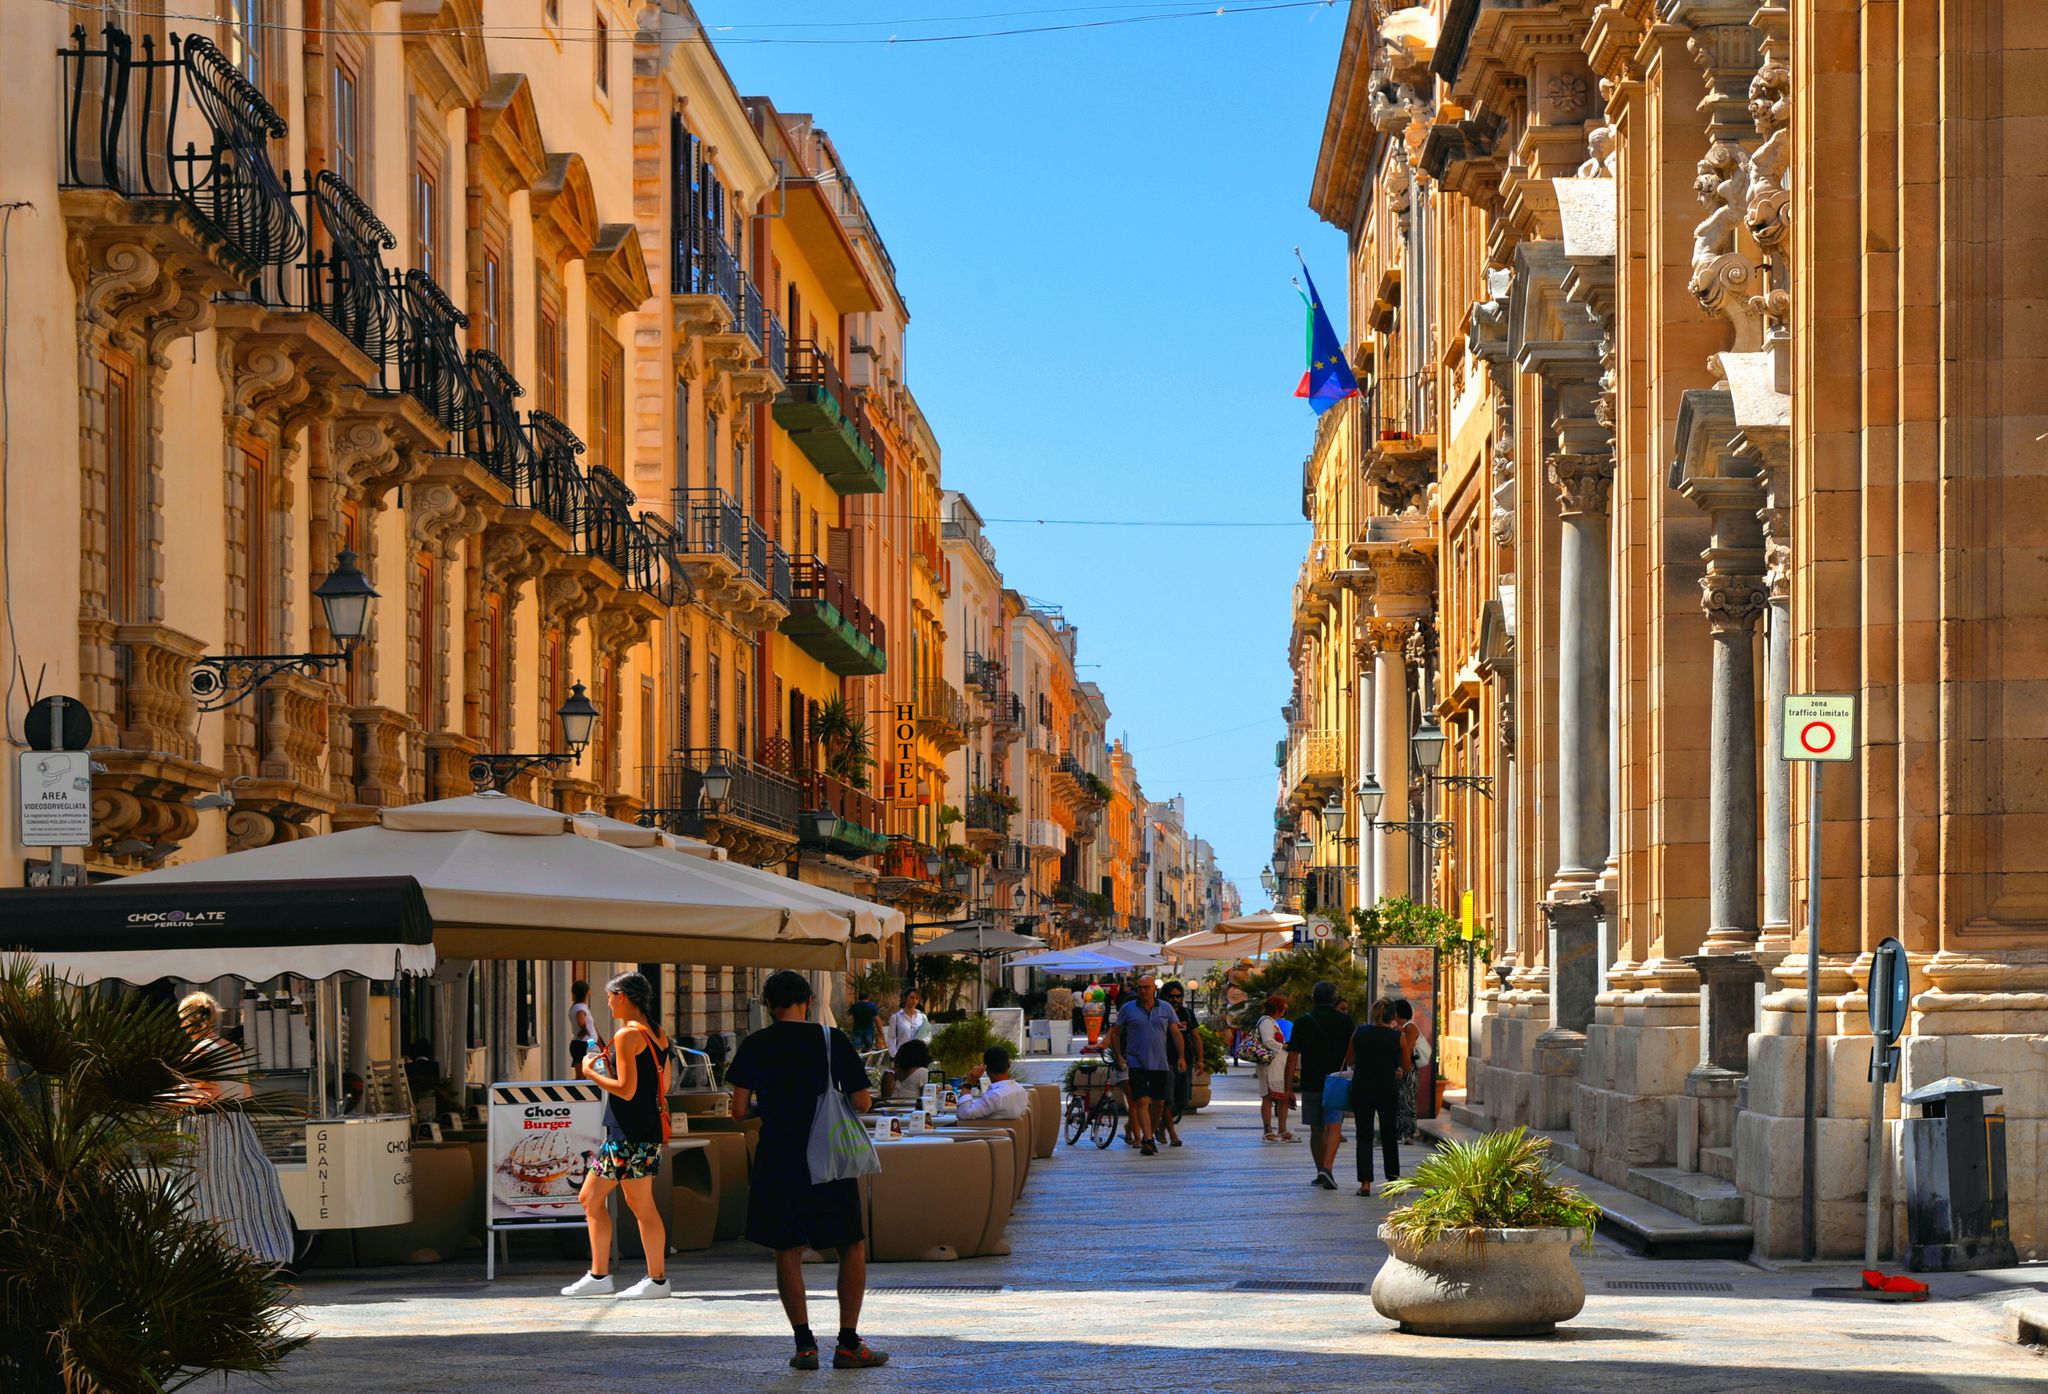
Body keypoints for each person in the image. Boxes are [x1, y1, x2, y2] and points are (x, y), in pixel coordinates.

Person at [727, 970, 888, 1371]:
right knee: (850, 1244)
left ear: (769, 1006)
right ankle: (849, 1343)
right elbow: (864, 1102)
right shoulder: (831, 1040)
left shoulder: (755, 1045)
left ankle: (804, 1345)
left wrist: (776, 1108)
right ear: (809, 1001)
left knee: (788, 1249)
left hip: (779, 1158)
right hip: (828, 1160)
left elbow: (738, 1111)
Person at [560, 973, 672, 1300]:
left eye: (610, 997)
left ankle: (656, 1280)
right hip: (640, 1131)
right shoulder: (657, 1033)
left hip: (629, 1134)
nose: (607, 1003)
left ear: (623, 996)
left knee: (639, 1205)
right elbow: (662, 1087)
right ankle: (602, 1275)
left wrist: (591, 1073)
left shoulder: (627, 1036)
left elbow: (626, 1089)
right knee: (593, 1198)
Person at [176, 992, 296, 1267]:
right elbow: (246, 1091)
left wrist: (172, 1097)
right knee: (239, 1193)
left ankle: (207, 1256)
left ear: (186, 1020)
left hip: (208, 1129)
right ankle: (252, 1251)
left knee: (203, 1195)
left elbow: (209, 1093)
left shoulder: (199, 1052)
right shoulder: (232, 1049)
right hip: (236, 1126)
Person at [1288, 980, 1355, 1189]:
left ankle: (1321, 1171)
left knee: (1316, 1130)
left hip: (1311, 1082)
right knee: (1334, 1127)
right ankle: (1327, 1168)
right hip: (1337, 1081)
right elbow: (1352, 1054)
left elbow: (1292, 1057)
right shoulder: (1345, 1021)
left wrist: (1287, 1088)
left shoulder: (1302, 1022)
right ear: (1334, 999)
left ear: (1313, 998)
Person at [1106, 974, 1182, 1156]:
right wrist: (1119, 1056)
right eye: (1140, 987)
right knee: (1141, 1101)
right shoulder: (1128, 1009)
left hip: (1159, 1062)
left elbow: (1176, 1033)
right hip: (1136, 1062)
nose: (1143, 991)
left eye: (1146, 987)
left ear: (1154, 989)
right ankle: (1147, 1139)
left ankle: (1151, 1132)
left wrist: (1181, 1057)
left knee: (1158, 1103)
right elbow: (1116, 1032)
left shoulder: (1166, 1008)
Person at [1346, 998, 1408, 1196]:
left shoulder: (1359, 1032)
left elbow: (1350, 1059)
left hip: (1362, 1087)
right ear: (1392, 1016)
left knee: (1363, 1134)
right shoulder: (1397, 1036)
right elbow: (1406, 1065)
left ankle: (1365, 1183)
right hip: (1387, 1088)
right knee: (1389, 1134)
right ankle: (1392, 1181)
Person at [1160, 981, 1198, 1148]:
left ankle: (1160, 1124)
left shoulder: (1187, 1013)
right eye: (1172, 996)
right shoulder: (1159, 1013)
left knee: (1183, 1100)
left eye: (1179, 996)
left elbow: (1196, 1036)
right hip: (1164, 1061)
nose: (1176, 999)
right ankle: (1172, 1133)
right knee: (1168, 1099)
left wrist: (1201, 1059)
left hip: (1185, 1061)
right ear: (1164, 997)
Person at [1253, 995, 1295, 1143]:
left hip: (1278, 1065)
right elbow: (1267, 1041)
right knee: (1267, 1096)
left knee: (1282, 1096)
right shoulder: (1266, 1022)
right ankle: (1268, 1130)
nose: (1286, 1009)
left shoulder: (1273, 1022)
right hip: (1269, 1065)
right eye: (1284, 1006)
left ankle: (1282, 1129)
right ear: (1278, 1008)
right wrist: (1284, 1046)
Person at [954, 1045, 1030, 1120]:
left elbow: (963, 1114)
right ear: (1009, 1065)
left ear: (985, 1068)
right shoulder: (1021, 1090)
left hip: (984, 1131)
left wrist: (969, 1082)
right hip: (1013, 1131)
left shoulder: (995, 1096)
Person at [1394, 998, 1422, 1142]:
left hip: (1408, 1069)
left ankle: (1408, 1133)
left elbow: (1408, 1049)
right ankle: (1400, 1132)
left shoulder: (1409, 1027)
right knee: (1400, 1100)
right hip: (1404, 1068)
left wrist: (1401, 1069)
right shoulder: (1400, 1028)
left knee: (1407, 1100)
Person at [883, 989, 928, 1056]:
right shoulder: (896, 1017)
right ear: (905, 998)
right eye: (911, 997)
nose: (914, 1000)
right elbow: (891, 1038)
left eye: (916, 998)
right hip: (902, 1055)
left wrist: (921, 1042)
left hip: (919, 1055)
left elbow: (927, 1036)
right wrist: (894, 1054)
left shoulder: (922, 1017)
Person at [568, 979, 597, 1075]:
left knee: (590, 1072)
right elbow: (581, 1021)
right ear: (587, 992)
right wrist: (585, 1030)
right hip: (585, 1043)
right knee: (587, 1074)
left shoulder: (576, 1006)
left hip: (583, 1043)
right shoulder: (580, 1007)